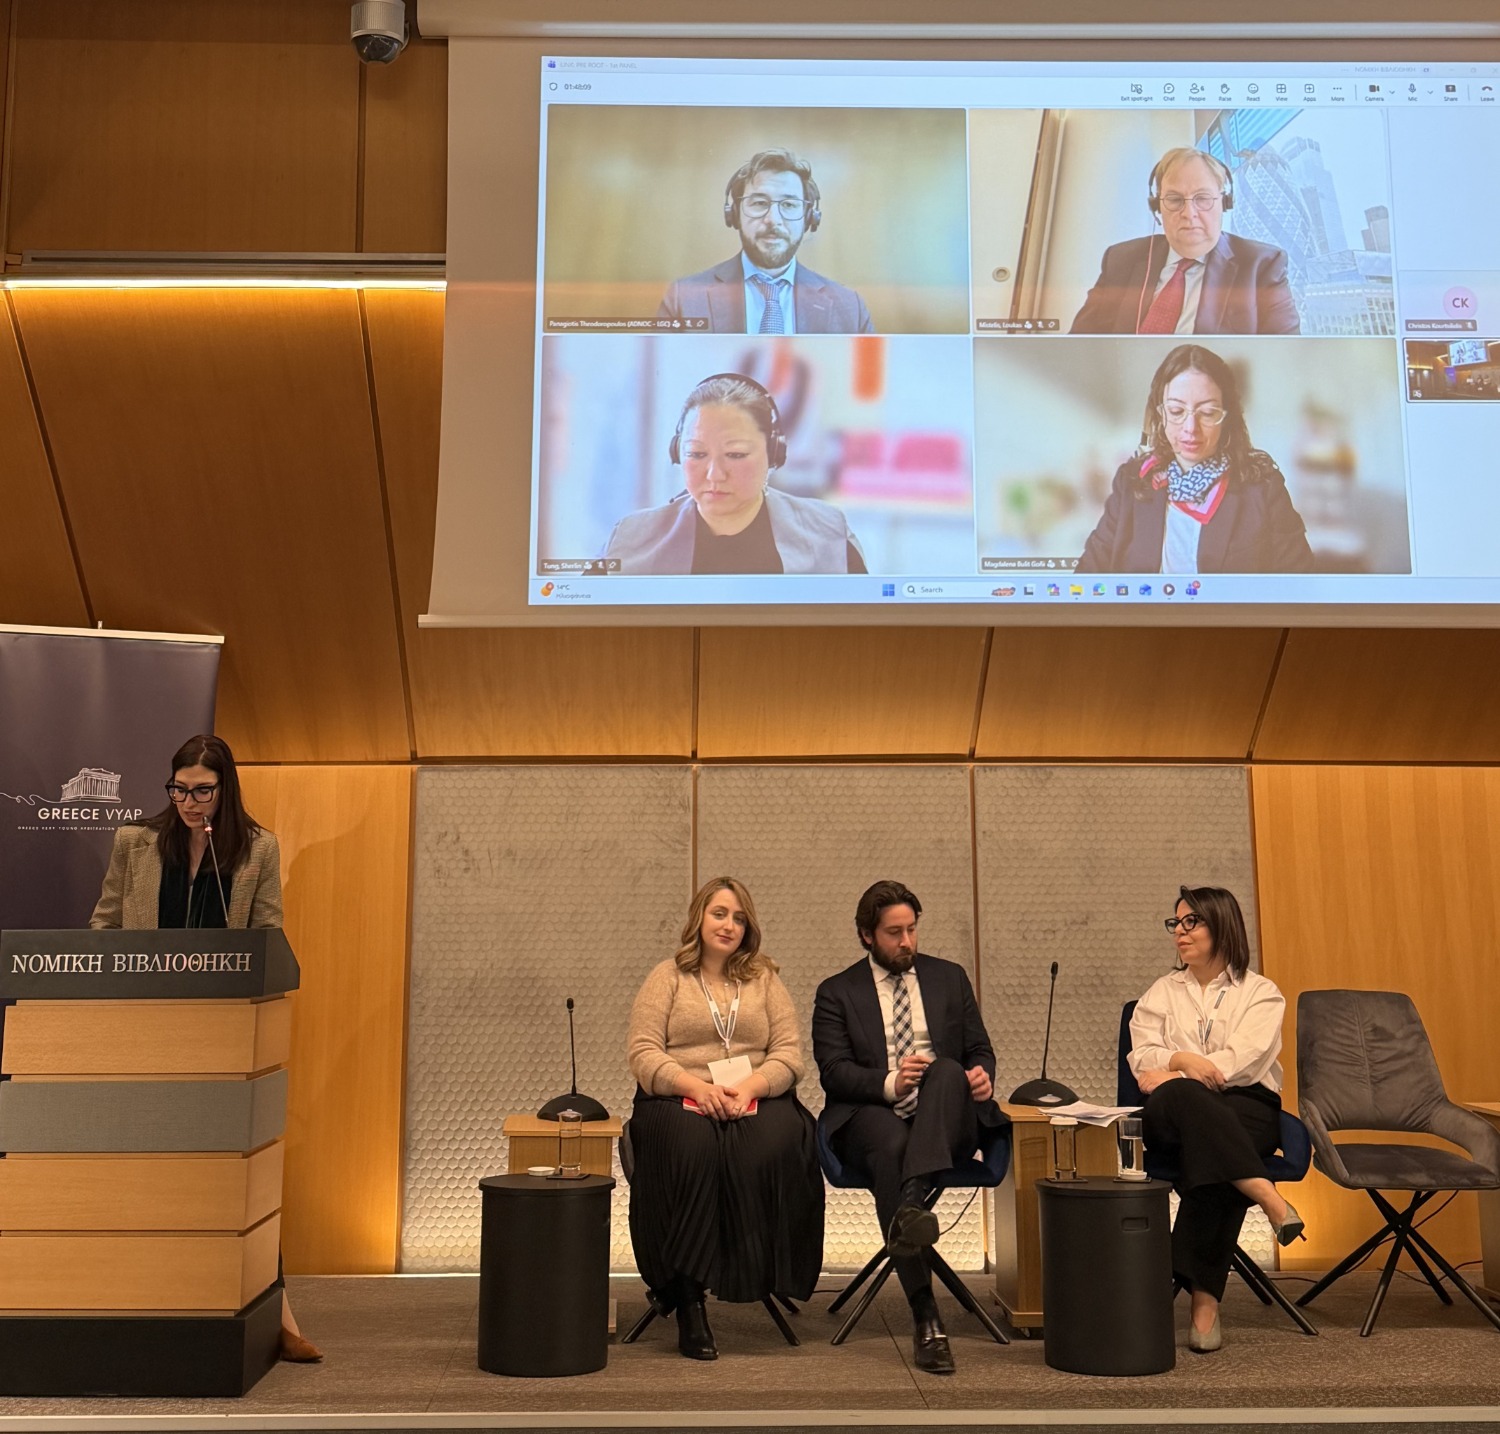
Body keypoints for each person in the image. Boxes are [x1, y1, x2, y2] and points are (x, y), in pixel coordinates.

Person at [89, 733, 322, 1364]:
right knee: (158, 1175)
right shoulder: (136, 842)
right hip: (146, 1033)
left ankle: (276, 1310)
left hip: (223, 1038)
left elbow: (268, 937)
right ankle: (151, 1303)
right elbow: (105, 925)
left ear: (226, 789)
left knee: (236, 1175)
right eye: (180, 789)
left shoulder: (257, 848)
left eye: (202, 791)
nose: (189, 803)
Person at [626, 877, 824, 1361]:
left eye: (739, 918)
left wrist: (751, 1087)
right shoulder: (667, 977)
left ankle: (751, 1273)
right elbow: (644, 1052)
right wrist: (695, 1087)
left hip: (752, 1095)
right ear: (699, 918)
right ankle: (688, 1295)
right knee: (692, 1148)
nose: (729, 925)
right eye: (719, 914)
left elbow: (789, 1056)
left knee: (767, 1145)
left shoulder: (764, 979)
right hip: (679, 1095)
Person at [812, 880, 1005, 1375]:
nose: (906, 942)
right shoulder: (837, 992)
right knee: (892, 1145)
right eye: (894, 933)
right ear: (866, 935)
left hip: (946, 1116)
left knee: (946, 1070)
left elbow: (979, 1050)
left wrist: (981, 1076)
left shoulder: (949, 978)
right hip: (872, 1115)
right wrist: (891, 1082)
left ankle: (909, 1208)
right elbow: (833, 1072)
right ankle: (926, 1314)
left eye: (912, 930)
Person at [1128, 885, 1305, 1354]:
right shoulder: (1161, 992)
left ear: (1222, 925)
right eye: (1176, 923)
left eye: (1192, 922)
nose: (1179, 932)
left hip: (1246, 1104)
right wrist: (1183, 1060)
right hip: (1171, 1115)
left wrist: (1181, 1070)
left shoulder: (1261, 993)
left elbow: (1246, 1060)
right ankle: (1265, 1193)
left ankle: (1204, 1302)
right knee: (1188, 1100)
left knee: (1210, 1152)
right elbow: (1142, 1059)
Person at [1074, 343, 1314, 573]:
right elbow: (1089, 574)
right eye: (1176, 411)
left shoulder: (1263, 487)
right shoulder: (1132, 481)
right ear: (1160, 413)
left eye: (1208, 413)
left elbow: (1300, 584)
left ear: (1227, 417)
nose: (1191, 428)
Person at [603, 372, 867, 574]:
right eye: (696, 454)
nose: (714, 475)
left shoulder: (827, 532)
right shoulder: (631, 538)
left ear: (773, 453)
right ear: (677, 452)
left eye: (736, 454)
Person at [1070, 148, 1299, 336]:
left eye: (1203, 199)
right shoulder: (1120, 260)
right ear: (1157, 206)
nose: (1189, 213)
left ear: (1224, 203)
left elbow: (1285, 356)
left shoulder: (1263, 265)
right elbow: (1079, 346)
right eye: (1174, 199)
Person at [658, 148, 875, 335]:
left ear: (809, 218)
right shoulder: (683, 298)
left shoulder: (850, 308)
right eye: (760, 203)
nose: (773, 219)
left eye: (789, 205)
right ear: (734, 214)